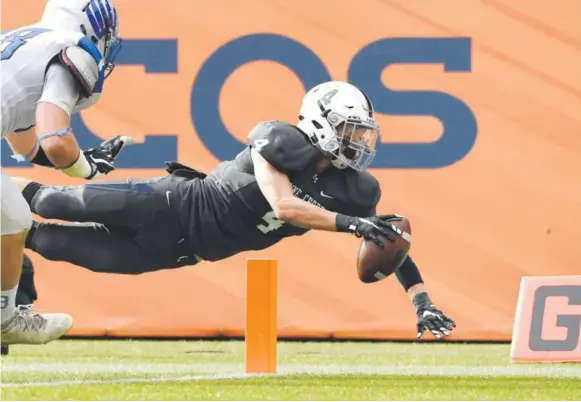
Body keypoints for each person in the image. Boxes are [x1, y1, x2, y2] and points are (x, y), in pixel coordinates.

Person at [15, 81, 456, 340]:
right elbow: (283, 206)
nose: (357, 142)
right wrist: (348, 225)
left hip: (184, 250)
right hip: (170, 205)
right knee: (55, 200)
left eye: (361, 134)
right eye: (348, 130)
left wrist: (423, 303)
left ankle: (13, 238)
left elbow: (388, 241)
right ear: (319, 121)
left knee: (52, 243)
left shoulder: (356, 192)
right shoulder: (280, 140)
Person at [0, 0, 130, 345]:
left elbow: (25, 141)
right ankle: (4, 320)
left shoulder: (23, 40)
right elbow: (55, 141)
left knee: (11, 215)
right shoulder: (73, 49)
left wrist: (77, 159)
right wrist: (85, 167)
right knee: (11, 216)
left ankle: (4, 318)